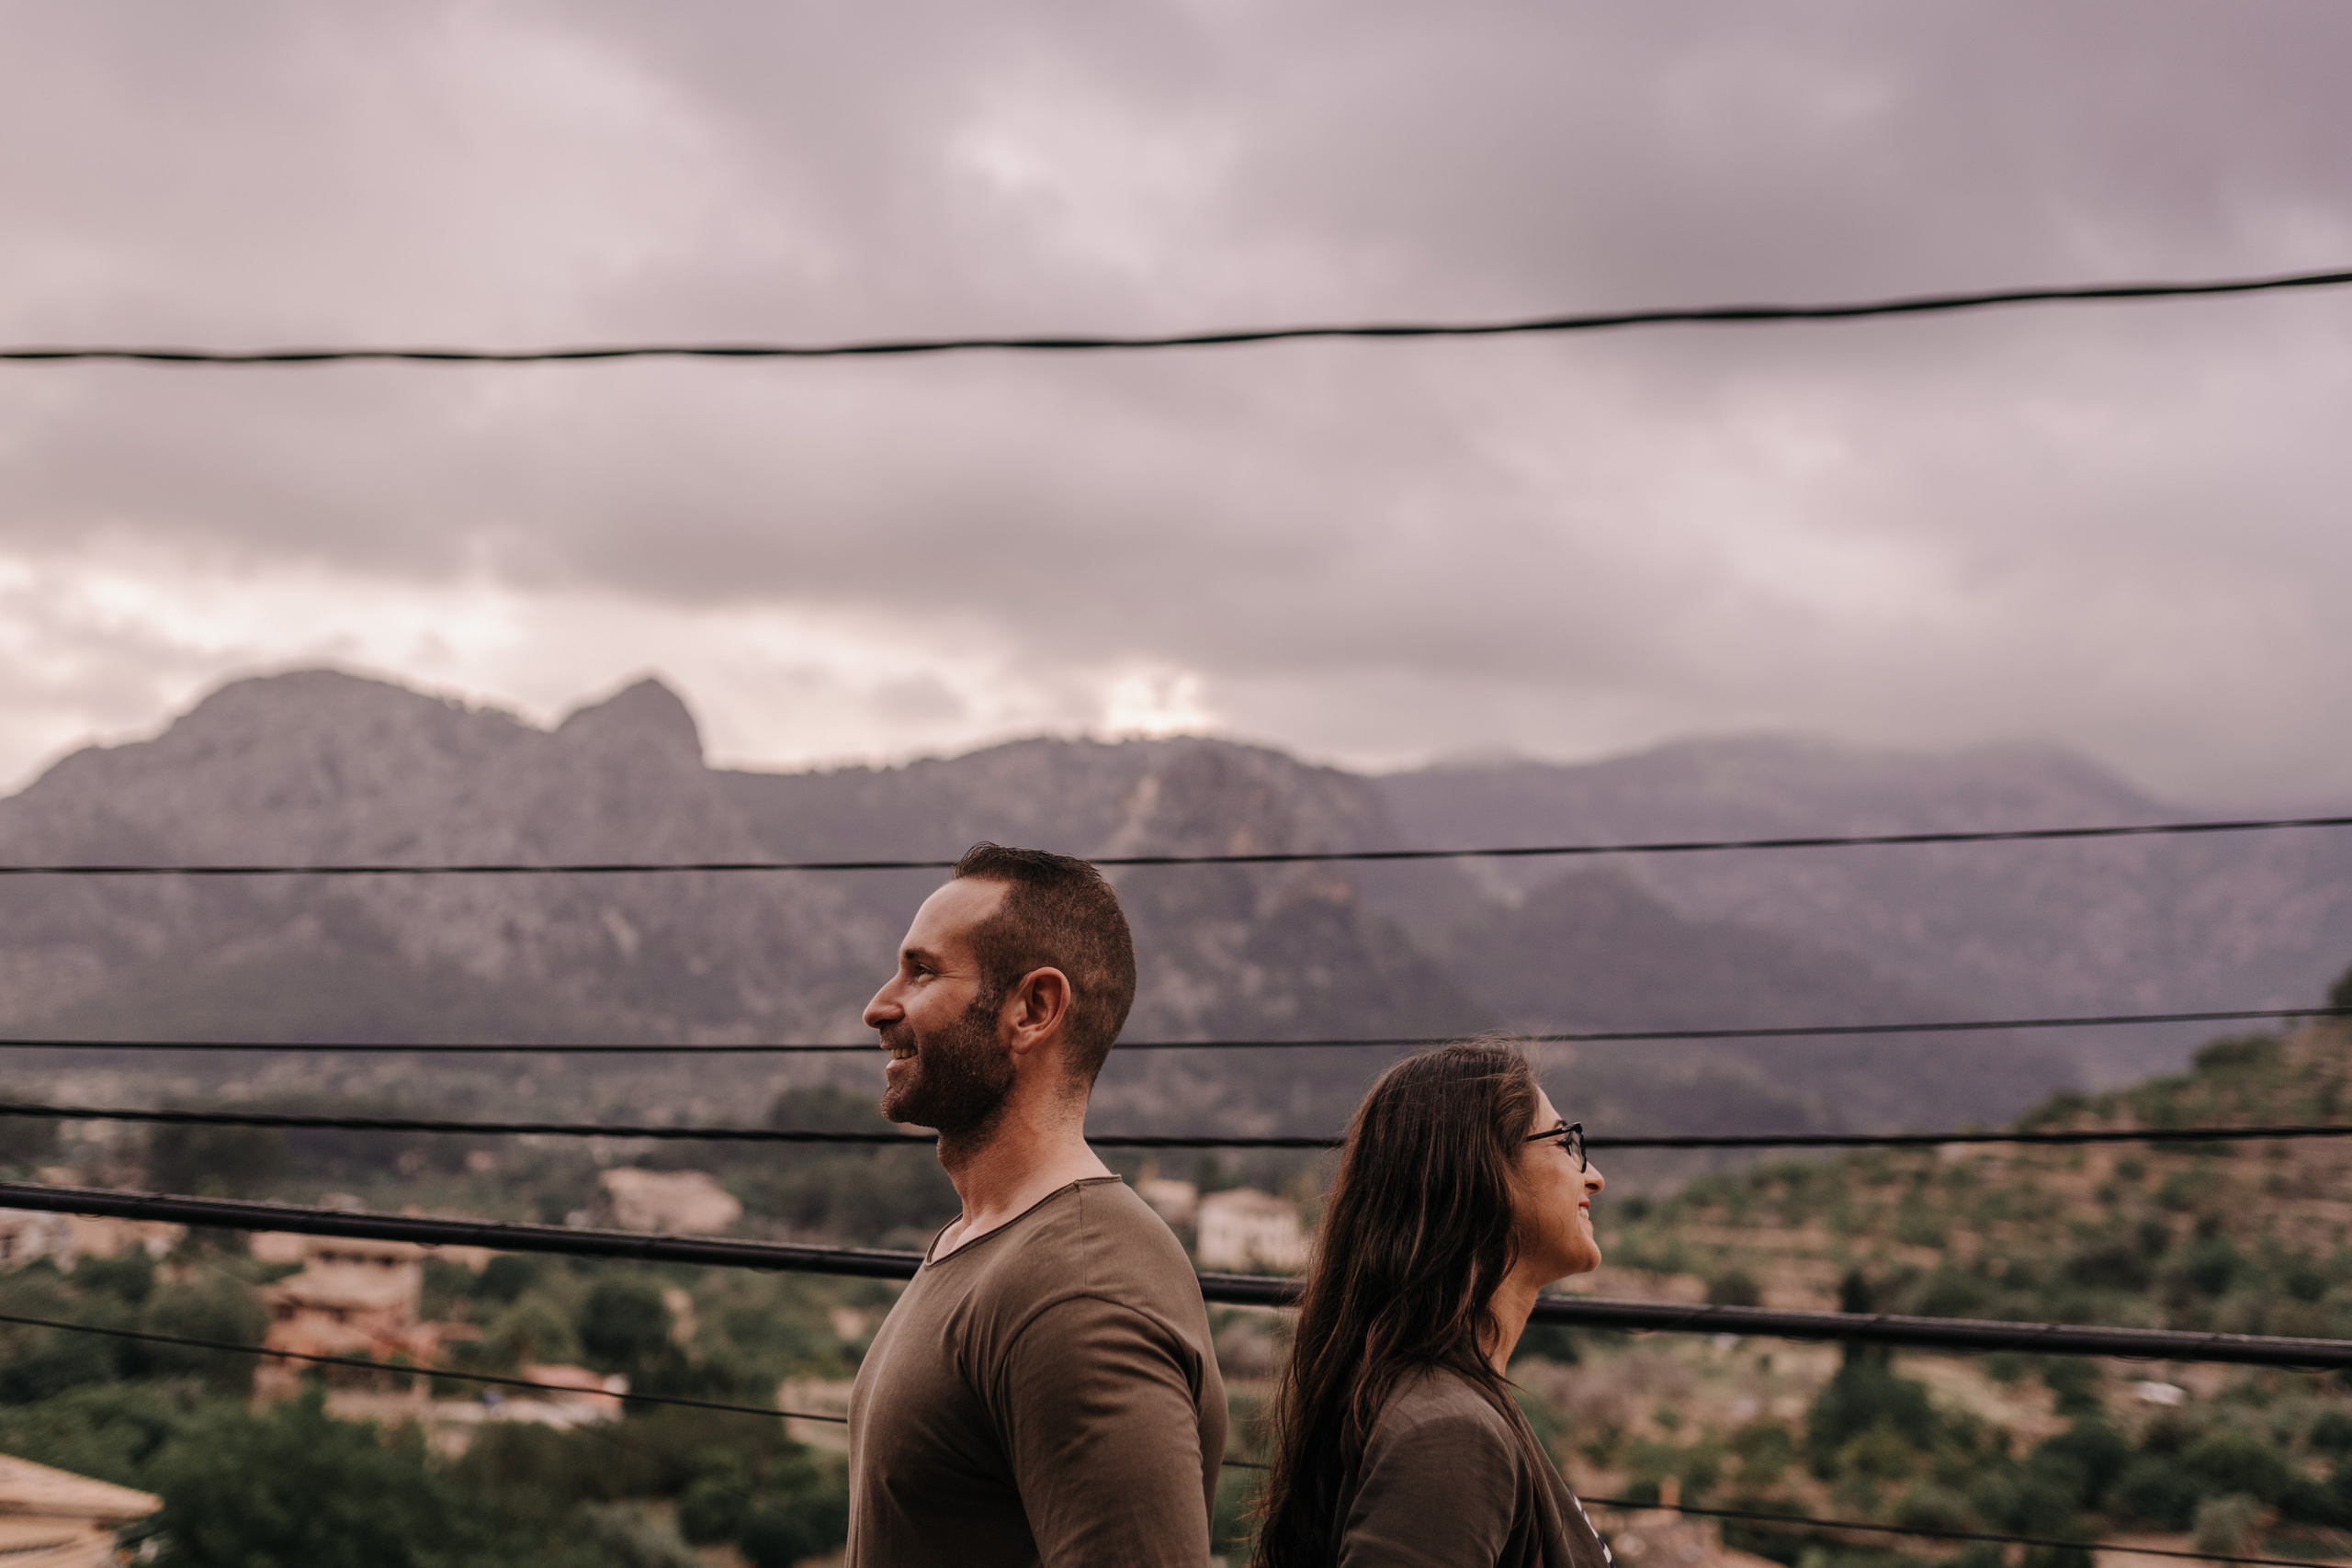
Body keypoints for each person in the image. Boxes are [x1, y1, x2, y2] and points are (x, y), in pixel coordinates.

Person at [846, 842, 1227, 1568]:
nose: (878, 1006)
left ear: (1033, 1008)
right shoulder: (985, 1242)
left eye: (921, 970)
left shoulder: (1081, 1287)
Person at [1251, 1041, 1611, 1568]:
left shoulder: (1440, 1401)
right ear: (1482, 1172)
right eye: (1564, 1142)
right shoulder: (1450, 1434)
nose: (1595, 1176)